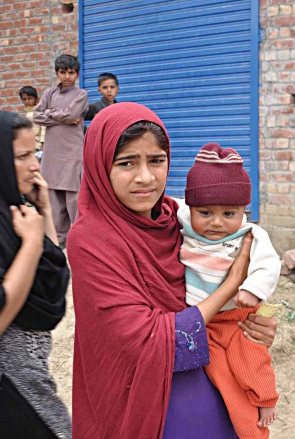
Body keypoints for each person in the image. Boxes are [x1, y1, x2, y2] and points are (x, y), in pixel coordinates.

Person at [67, 102, 278, 438]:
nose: (146, 178)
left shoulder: (176, 217)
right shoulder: (92, 238)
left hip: (210, 364)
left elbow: (229, 276)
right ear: (99, 165)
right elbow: (141, 341)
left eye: (156, 160)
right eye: (127, 163)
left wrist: (252, 324)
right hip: (139, 387)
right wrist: (231, 286)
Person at [178, 143, 280, 436]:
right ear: (191, 208)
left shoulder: (249, 234)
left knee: (251, 359)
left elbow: (268, 265)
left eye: (228, 213)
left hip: (236, 317)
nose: (217, 223)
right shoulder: (184, 222)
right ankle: (244, 422)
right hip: (202, 322)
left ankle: (266, 402)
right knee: (224, 376)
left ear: (244, 211)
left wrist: (252, 290)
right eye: (205, 212)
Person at [0, 110, 70, 438]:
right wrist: (32, 243)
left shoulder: (16, 213)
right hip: (6, 385)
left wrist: (46, 212)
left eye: (34, 153)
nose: (35, 165)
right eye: (22, 156)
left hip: (28, 376)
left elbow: (52, 285)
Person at [33, 54, 88, 247]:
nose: (67, 76)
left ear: (77, 74)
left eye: (71, 73)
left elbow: (73, 114)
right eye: (63, 72)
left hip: (72, 152)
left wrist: (51, 115)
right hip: (52, 153)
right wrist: (60, 117)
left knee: (73, 198)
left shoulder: (81, 95)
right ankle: (58, 240)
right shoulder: (49, 94)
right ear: (57, 73)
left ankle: (79, 238)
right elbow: (37, 116)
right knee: (54, 198)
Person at [18, 86, 44, 154]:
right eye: (24, 99)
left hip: (37, 146)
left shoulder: (39, 112)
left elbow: (44, 129)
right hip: (27, 145)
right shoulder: (25, 113)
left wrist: (42, 147)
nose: (27, 101)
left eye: (30, 98)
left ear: (36, 99)